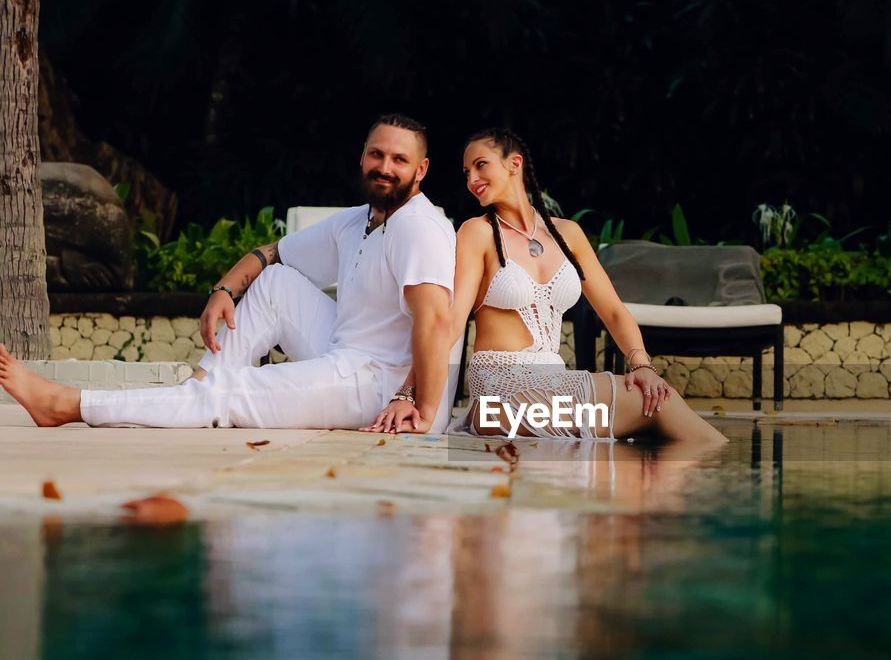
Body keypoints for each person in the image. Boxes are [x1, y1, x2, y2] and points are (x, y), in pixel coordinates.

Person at [0, 114, 461, 432]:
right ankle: (199, 390)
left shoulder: (418, 228)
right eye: (377, 155)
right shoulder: (357, 220)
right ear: (362, 157)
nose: (385, 167)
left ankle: (68, 405)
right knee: (276, 281)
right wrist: (223, 290)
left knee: (236, 393)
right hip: (348, 354)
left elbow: (436, 323)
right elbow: (271, 253)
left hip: (384, 385)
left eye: (399, 160)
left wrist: (419, 409)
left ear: (420, 170)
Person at [365, 128, 725, 444]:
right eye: (466, 171)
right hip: (500, 401)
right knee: (659, 407)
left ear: (514, 163)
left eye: (480, 164)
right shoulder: (477, 233)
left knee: (656, 411)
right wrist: (407, 394)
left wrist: (642, 366)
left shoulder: (568, 234)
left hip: (554, 387)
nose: (471, 178)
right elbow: (449, 324)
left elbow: (614, 311)